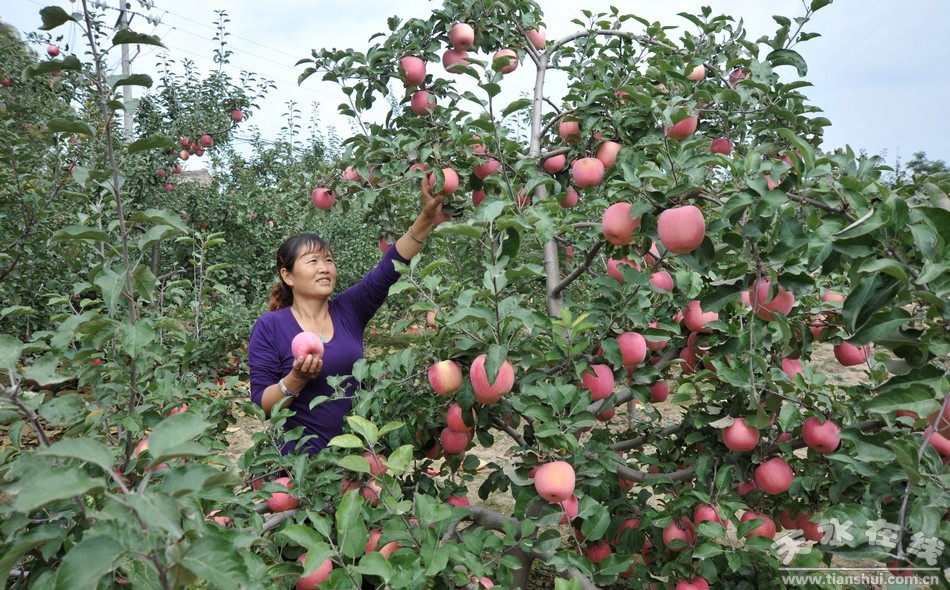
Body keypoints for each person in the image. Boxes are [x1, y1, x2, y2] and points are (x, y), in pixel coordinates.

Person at [247, 177, 444, 455]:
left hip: (358, 459)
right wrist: (296, 379)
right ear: (288, 276)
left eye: (328, 260)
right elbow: (262, 406)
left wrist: (427, 215)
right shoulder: (270, 326)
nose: (324, 268)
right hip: (303, 465)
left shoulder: (349, 309)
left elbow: (389, 268)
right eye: (313, 261)